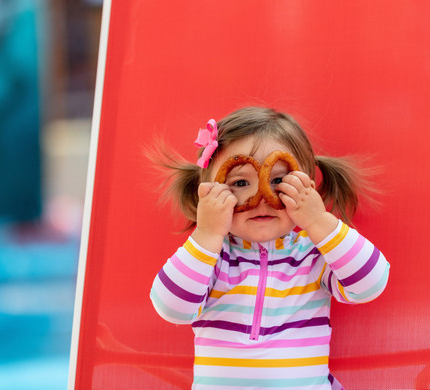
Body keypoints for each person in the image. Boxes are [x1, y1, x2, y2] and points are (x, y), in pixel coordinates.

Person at [150, 107, 390, 389]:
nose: (260, 196)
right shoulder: (211, 259)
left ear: (307, 188)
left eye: (278, 181)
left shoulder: (312, 254)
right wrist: (208, 232)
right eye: (240, 182)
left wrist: (318, 220)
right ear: (209, 194)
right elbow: (171, 308)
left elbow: (371, 284)